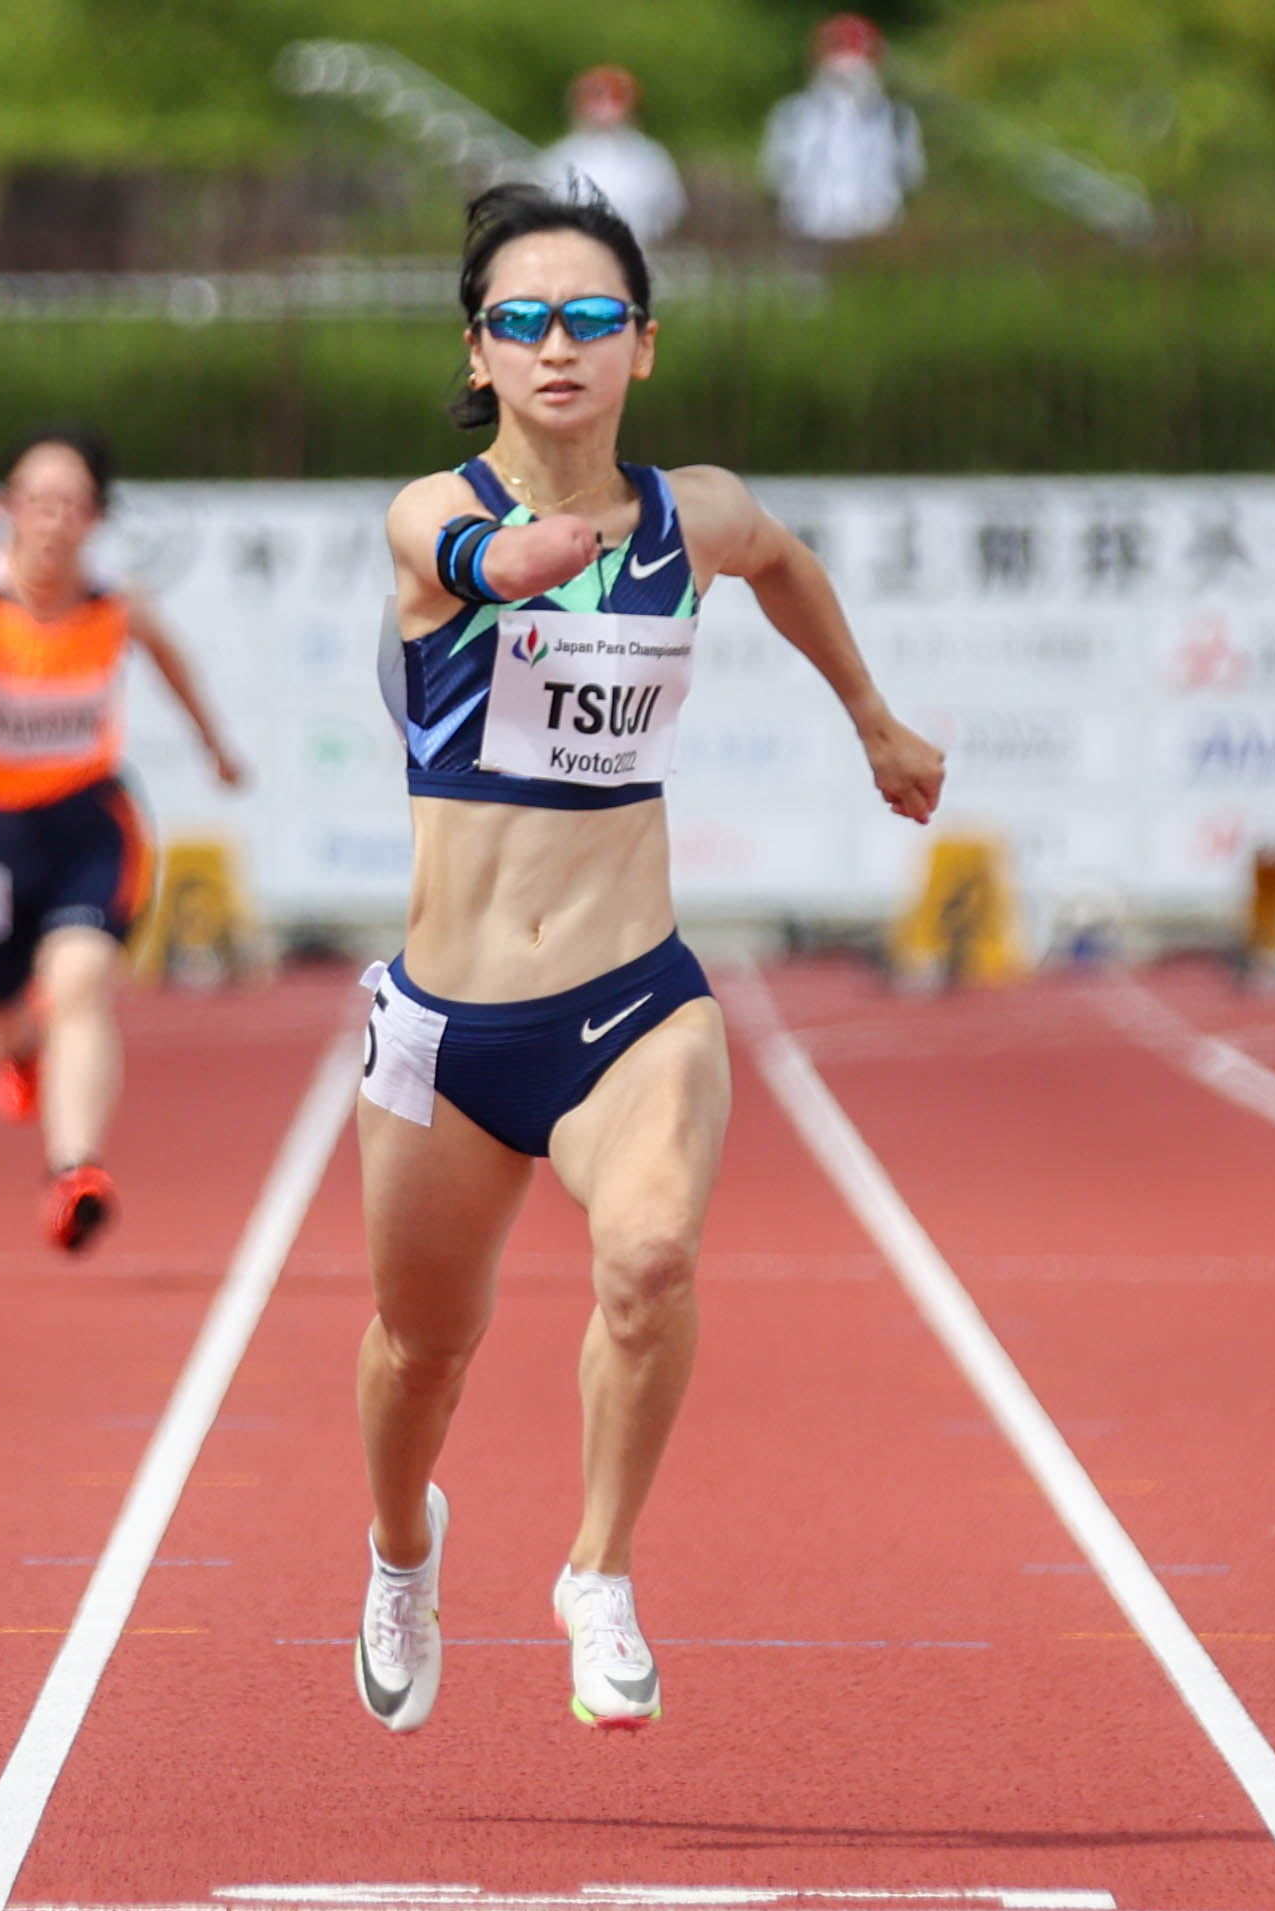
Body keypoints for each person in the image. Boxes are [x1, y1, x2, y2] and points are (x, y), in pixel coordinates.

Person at [353, 182, 944, 1734]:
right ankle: (404, 1544)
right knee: (421, 1346)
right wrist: (526, 555)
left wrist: (870, 717)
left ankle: (597, 1567)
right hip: (445, 1029)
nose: (560, 344)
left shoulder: (697, 512)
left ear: (642, 346)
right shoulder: (429, 512)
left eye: (592, 318)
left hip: (630, 995)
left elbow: (785, 563)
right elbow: (474, 560)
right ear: (478, 353)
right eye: (524, 321)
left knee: (651, 1260)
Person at [0, 427, 244, 1253]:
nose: (50, 520)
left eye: (69, 504)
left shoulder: (116, 602)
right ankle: (17, 1053)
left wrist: (215, 747)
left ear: (94, 518)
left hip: (93, 823)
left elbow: (176, 665)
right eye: (34, 501)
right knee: (5, 1016)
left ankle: (74, 1169)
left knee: (79, 986)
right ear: (7, 508)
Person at [761, 13, 926, 244]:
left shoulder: (898, 118)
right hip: (806, 241)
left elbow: (909, 177)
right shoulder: (791, 115)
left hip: (875, 243)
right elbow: (776, 177)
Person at [536, 66, 685, 247]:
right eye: (596, 99)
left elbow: (670, 209)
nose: (605, 109)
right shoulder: (559, 157)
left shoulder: (650, 158)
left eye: (614, 99)